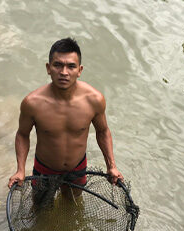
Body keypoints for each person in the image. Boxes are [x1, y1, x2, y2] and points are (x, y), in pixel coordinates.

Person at [8, 37, 123, 198]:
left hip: (77, 167)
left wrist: (111, 166)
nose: (64, 72)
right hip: (44, 168)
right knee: (39, 208)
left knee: (73, 204)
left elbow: (103, 131)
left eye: (71, 66)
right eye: (58, 65)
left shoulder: (94, 100)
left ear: (80, 70)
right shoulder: (32, 103)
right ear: (48, 68)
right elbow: (22, 134)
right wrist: (20, 170)